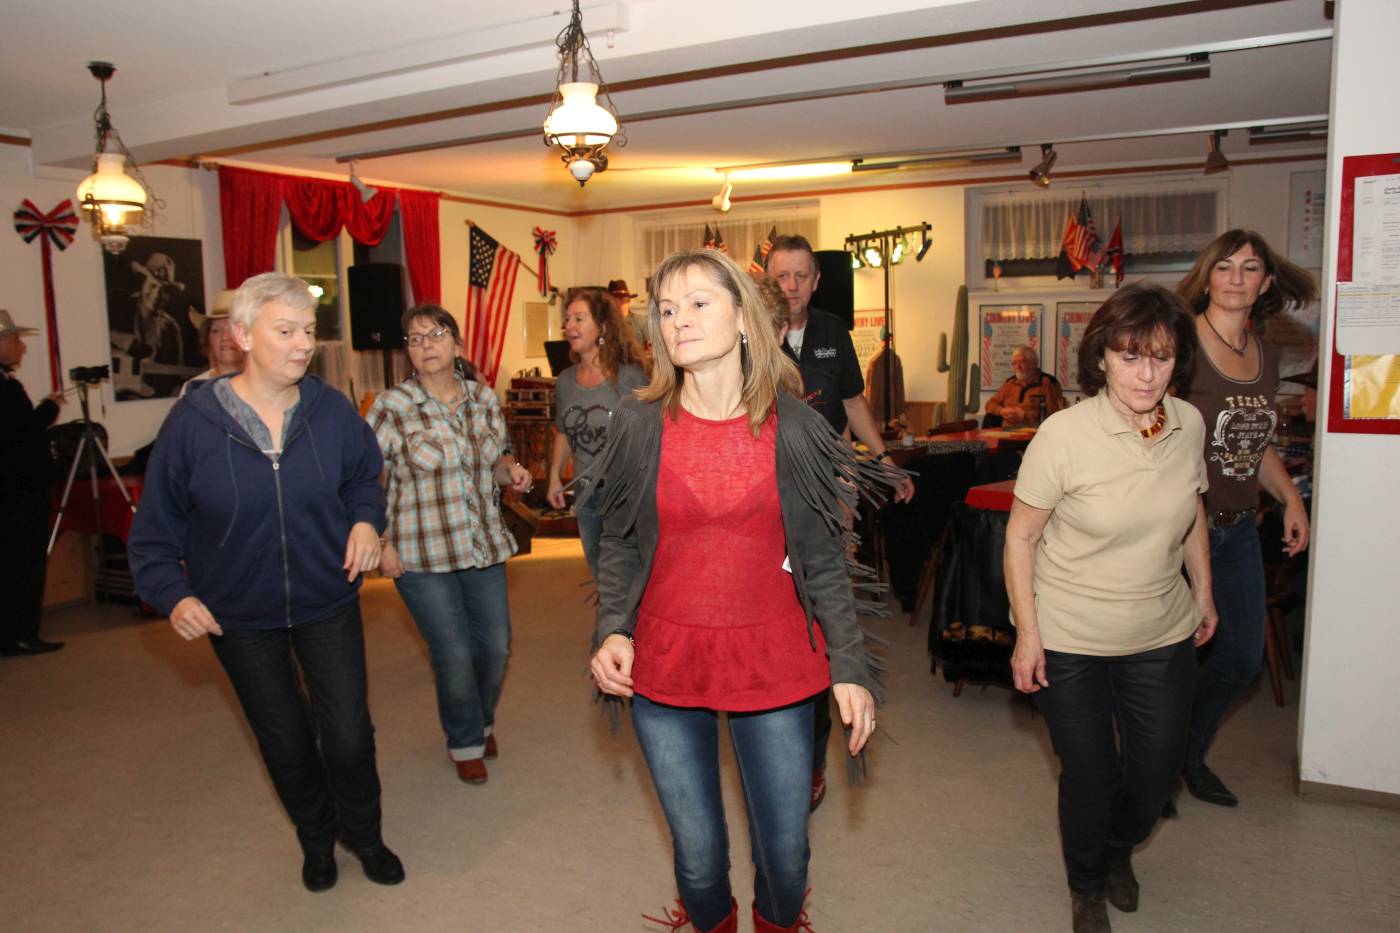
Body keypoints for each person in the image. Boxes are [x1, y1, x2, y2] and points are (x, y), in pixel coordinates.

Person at [588, 249, 886, 933]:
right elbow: (621, 541)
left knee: (785, 857)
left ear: (745, 319)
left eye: (699, 303)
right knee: (697, 860)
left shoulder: (798, 427)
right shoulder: (638, 422)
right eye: (667, 309)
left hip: (773, 658)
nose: (678, 321)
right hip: (667, 658)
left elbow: (822, 558)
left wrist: (848, 663)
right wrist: (612, 628)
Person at [127, 272, 404, 894]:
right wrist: (174, 595)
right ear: (243, 335)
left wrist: (366, 521)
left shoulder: (330, 410)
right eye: (287, 330)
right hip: (239, 617)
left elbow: (364, 479)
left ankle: (364, 835)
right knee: (285, 740)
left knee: (349, 736)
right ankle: (316, 838)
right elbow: (154, 532)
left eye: (309, 330)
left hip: (326, 599)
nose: (304, 344)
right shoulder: (192, 423)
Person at [1005, 283, 1216, 933]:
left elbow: (1192, 509)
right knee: (1091, 774)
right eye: (1130, 357)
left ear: (1178, 360)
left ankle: (1119, 846)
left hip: (1160, 628)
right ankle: (1087, 883)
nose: (1146, 374)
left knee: (1157, 771)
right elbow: (1020, 537)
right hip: (1070, 634)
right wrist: (1028, 634)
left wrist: (1204, 590)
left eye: (1161, 357)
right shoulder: (1062, 435)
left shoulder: (1188, 425)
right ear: (1101, 358)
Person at [765, 234, 912, 808]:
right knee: (774, 618)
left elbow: (852, 402)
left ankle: (809, 760)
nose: (792, 286)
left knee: (820, 620)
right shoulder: (751, 335)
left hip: (825, 494)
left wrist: (881, 458)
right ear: (767, 280)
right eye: (782, 276)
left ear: (817, 280)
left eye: (802, 275)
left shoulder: (832, 332)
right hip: (767, 496)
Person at [1173, 229, 1314, 808]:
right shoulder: (1180, 346)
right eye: (1225, 266)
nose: (1236, 278)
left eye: (1249, 268)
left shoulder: (1264, 353)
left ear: (1265, 283)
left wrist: (1291, 499)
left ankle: (1186, 754)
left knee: (1240, 659)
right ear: (1207, 278)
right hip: (1179, 532)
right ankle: (1154, 766)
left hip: (1237, 529)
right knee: (1167, 662)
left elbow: (1257, 441)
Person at [368, 304, 532, 785]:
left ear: (457, 344)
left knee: (496, 647)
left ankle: (481, 719)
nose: (426, 346)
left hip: (482, 547)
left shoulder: (483, 398)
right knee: (454, 654)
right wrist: (381, 542)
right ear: (408, 352)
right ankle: (465, 740)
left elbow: (496, 462)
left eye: (436, 335)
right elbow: (363, 480)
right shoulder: (392, 406)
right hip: (421, 554)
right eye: (415, 339)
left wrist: (512, 472)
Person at [545, 287, 646, 581]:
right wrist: (555, 477)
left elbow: (649, 436)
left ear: (602, 327)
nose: (570, 327)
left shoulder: (630, 377)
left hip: (623, 495)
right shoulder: (566, 380)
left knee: (625, 577)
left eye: (579, 318)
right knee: (600, 574)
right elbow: (564, 432)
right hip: (585, 494)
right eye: (567, 320)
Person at [0, 308, 65, 656]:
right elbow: (23, 434)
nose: (22, 347)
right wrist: (49, 410)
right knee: (22, 564)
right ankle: (20, 633)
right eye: (15, 339)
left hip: (13, 494)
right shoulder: (5, 388)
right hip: (19, 496)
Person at [180, 288, 244, 397]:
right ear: (208, 339)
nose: (225, 337)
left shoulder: (265, 383)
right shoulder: (193, 388)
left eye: (232, 329)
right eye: (216, 330)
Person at [984, 344, 1066, 427]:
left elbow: (1055, 415)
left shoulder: (1048, 383)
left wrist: (1025, 416)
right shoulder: (1010, 383)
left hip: (1035, 432)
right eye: (1015, 363)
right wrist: (1002, 411)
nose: (1018, 367)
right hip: (1007, 431)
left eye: (1022, 362)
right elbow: (990, 405)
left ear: (1033, 363)